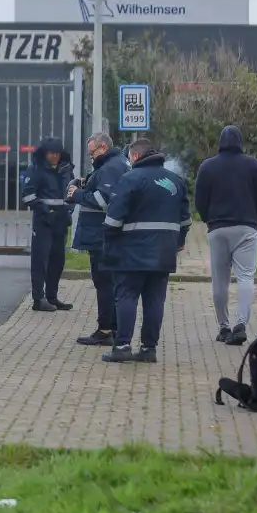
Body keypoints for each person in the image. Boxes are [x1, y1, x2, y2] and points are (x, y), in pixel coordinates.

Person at [100, 138, 191, 364]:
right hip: (164, 253)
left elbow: (112, 221)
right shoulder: (175, 181)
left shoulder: (130, 179)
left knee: (127, 297)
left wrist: (110, 243)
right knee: (154, 301)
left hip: (132, 253)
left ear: (136, 156)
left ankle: (122, 346)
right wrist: (178, 242)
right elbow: (186, 221)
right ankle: (149, 349)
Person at [194, 125, 257, 347]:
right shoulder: (253, 165)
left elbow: (200, 199)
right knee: (246, 277)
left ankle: (223, 327)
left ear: (220, 143)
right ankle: (241, 325)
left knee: (220, 280)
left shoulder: (207, 167)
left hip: (218, 228)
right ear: (240, 142)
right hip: (247, 227)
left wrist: (209, 219)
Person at [68, 132, 129, 346]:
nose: (91, 157)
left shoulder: (111, 167)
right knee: (108, 283)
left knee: (104, 284)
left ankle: (106, 330)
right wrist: (87, 183)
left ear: (103, 148)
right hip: (106, 235)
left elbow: (103, 200)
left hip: (101, 235)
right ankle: (111, 327)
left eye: (92, 152)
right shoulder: (115, 164)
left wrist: (77, 194)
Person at [20, 137, 76, 312]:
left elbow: (72, 192)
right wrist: (45, 211)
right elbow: (27, 196)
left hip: (61, 220)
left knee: (57, 260)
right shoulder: (35, 170)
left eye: (57, 153)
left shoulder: (66, 170)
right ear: (44, 153)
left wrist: (68, 210)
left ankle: (52, 297)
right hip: (44, 221)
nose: (55, 157)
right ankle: (38, 298)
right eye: (52, 153)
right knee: (40, 260)